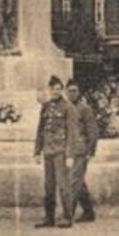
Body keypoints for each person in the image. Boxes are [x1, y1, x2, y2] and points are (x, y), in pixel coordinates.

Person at [32, 76, 74, 228]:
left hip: (61, 151)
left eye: (58, 89)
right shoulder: (46, 106)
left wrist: (69, 154)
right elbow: (41, 130)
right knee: (48, 186)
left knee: (63, 185)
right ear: (49, 90)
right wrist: (37, 151)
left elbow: (71, 131)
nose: (56, 92)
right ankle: (49, 217)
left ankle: (67, 217)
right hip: (48, 151)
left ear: (61, 90)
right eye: (53, 89)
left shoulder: (67, 107)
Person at [64, 80, 99, 223]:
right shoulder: (64, 108)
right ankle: (88, 211)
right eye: (69, 91)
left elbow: (92, 131)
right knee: (78, 181)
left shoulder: (85, 109)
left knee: (73, 181)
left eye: (75, 91)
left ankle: (67, 215)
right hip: (68, 150)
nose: (72, 94)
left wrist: (91, 150)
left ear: (79, 93)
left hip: (81, 149)